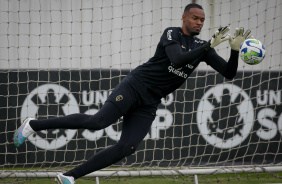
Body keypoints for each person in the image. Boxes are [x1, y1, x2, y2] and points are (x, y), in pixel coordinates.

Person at [13, 3, 253, 184]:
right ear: (184, 18)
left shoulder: (202, 48)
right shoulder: (172, 34)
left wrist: (233, 51)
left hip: (149, 102)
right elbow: (178, 60)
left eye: (202, 20)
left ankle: (69, 177)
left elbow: (229, 74)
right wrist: (208, 44)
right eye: (195, 18)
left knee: (127, 147)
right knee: (98, 122)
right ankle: (33, 124)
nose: (199, 23)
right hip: (134, 86)